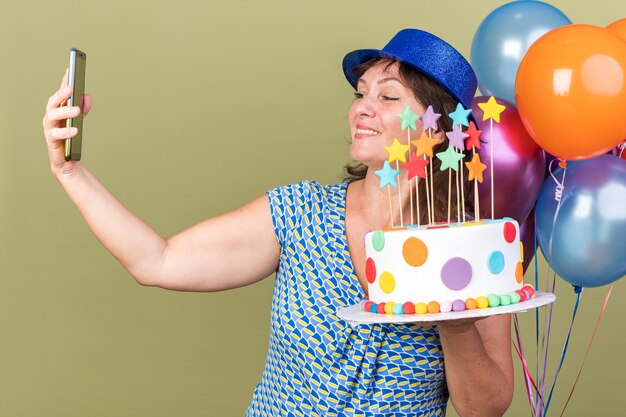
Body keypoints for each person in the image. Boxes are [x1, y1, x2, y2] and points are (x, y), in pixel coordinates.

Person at [43, 29, 513, 417]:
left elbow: (486, 409)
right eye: (360, 93)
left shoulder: (473, 247)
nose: (362, 108)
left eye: (388, 96)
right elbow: (157, 260)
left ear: (439, 131)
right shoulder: (298, 214)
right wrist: (70, 171)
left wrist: (455, 324)